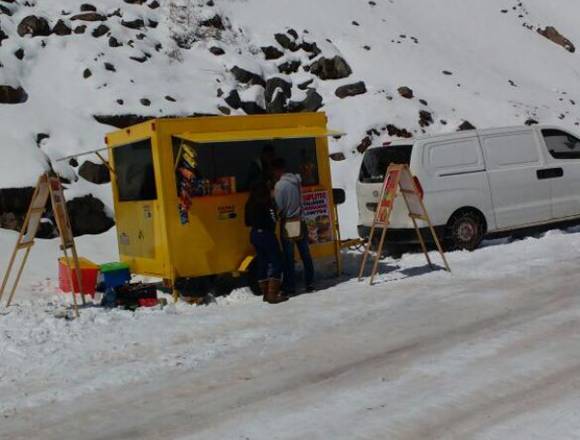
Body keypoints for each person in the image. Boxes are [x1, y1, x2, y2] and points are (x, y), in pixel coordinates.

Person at [272, 158, 315, 295]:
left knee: (288, 257)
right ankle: (310, 283)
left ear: (277, 170)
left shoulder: (279, 186)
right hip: (300, 220)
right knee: (305, 255)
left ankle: (290, 286)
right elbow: (304, 175)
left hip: (288, 223)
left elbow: (279, 207)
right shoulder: (296, 180)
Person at [244, 182, 287, 304]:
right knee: (276, 262)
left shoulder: (249, 202)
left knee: (262, 262)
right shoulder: (267, 202)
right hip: (267, 235)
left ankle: (265, 294)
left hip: (254, 234)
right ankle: (273, 294)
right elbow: (274, 219)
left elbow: (247, 221)